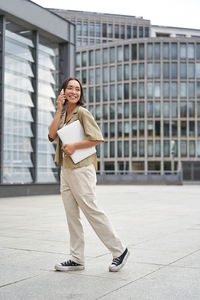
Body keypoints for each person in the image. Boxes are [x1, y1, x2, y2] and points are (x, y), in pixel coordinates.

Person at [48, 77, 129, 272]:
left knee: (91, 211)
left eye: (77, 89)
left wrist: (75, 145)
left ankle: (120, 251)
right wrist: (58, 108)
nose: (73, 92)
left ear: (80, 94)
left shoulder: (82, 113)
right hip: (66, 170)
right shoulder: (62, 115)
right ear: (63, 92)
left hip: (82, 168)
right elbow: (51, 136)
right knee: (71, 216)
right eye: (70, 88)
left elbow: (97, 138)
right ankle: (77, 259)